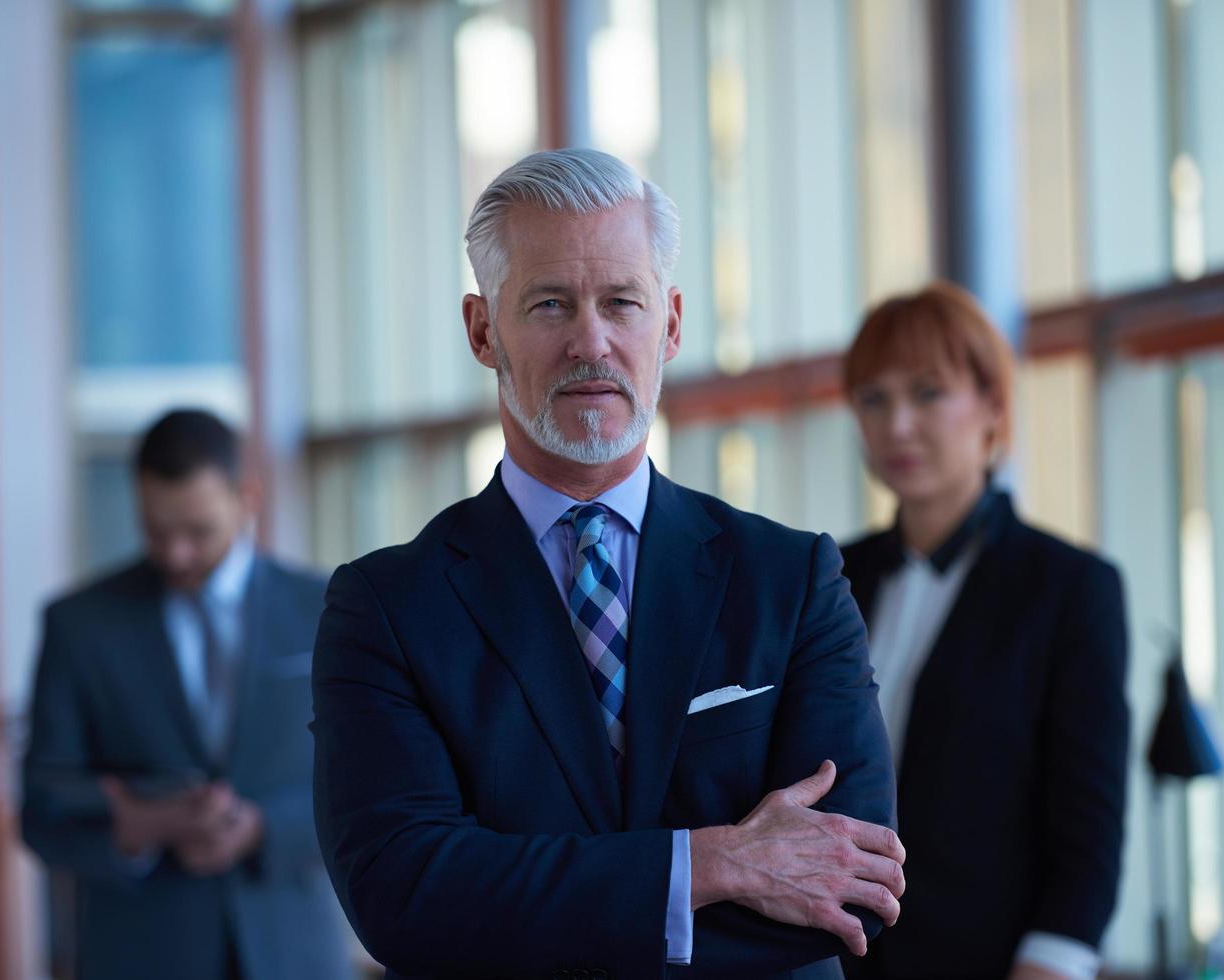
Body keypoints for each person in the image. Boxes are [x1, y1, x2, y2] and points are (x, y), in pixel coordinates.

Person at [311, 148, 904, 979]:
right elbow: (404, 896)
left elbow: (852, 885)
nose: (591, 341)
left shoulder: (791, 579)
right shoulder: (386, 607)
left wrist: (540, 903)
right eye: (549, 304)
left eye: (620, 303)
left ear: (668, 324)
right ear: (483, 331)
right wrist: (708, 865)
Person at [836, 283, 1129, 980]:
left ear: (992, 406)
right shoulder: (827, 576)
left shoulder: (1068, 588)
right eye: (873, 400)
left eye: (927, 393)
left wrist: (1050, 965)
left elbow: (1086, 829)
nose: (897, 425)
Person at [21, 409, 349, 980]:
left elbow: (371, 782)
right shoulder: (78, 625)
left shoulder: (328, 607)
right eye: (155, 530)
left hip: (294, 950)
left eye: (197, 532)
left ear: (247, 496)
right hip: (137, 952)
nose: (175, 554)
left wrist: (262, 828)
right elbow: (41, 808)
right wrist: (141, 823)